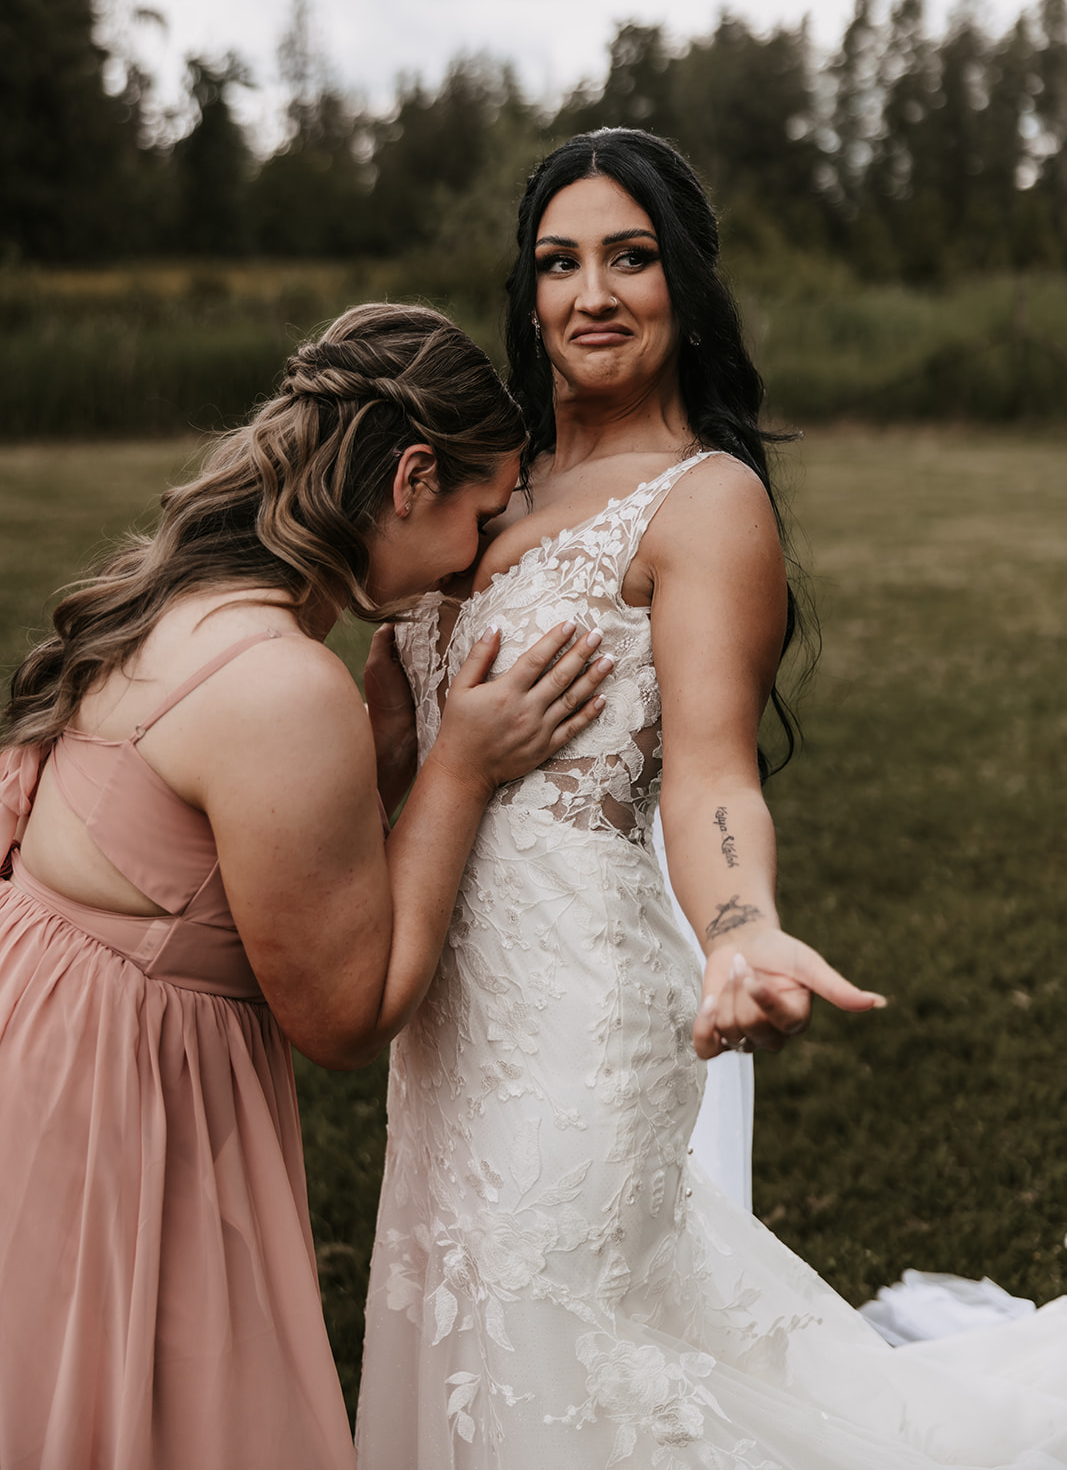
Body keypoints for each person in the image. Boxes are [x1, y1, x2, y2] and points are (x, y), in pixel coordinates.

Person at [355, 134, 1067, 1467]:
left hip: (573, 1034)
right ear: (523, 292)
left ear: (683, 283)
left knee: (553, 1359)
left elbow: (711, 767)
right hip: (443, 1037)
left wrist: (737, 924)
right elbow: (363, 742)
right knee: (457, 1339)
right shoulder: (473, 484)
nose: (590, 294)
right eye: (556, 262)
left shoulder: (703, 504)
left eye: (629, 257)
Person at [0, 302, 613, 1470]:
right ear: (411, 475)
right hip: (120, 1116)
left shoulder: (186, 600)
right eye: (479, 517)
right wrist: (459, 769)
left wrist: (376, 765)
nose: (472, 562)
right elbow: (341, 1015)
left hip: (42, 1053)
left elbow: (224, 858)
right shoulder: (283, 683)